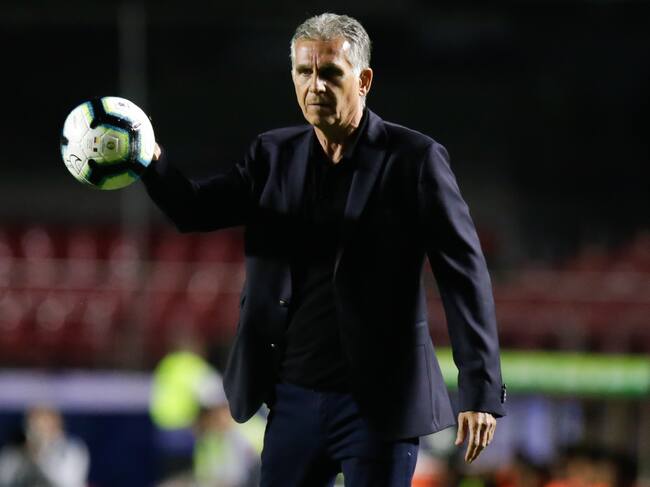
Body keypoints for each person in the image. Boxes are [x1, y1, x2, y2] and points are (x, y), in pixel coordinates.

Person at [142, 12, 506, 487]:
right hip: (292, 398)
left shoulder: (413, 160)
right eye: (303, 71)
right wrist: (149, 159)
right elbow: (194, 210)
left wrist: (480, 389)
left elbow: (464, 276)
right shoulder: (272, 155)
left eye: (331, 72)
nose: (315, 85)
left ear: (364, 79)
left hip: (379, 404)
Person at [0, 406, 89, 487]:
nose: (38, 431)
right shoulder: (12, 454)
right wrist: (26, 456)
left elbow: (68, 482)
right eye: (34, 425)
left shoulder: (72, 450)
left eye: (45, 424)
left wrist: (41, 455)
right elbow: (4, 480)